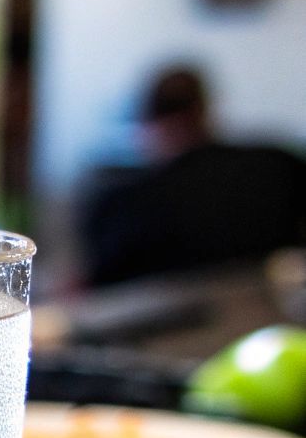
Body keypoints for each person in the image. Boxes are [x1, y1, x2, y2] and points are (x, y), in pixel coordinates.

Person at [79, 66, 306, 287]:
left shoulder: (125, 205)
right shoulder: (277, 163)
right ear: (204, 109)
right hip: (273, 308)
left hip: (167, 320)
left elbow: (97, 288)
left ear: (149, 124)